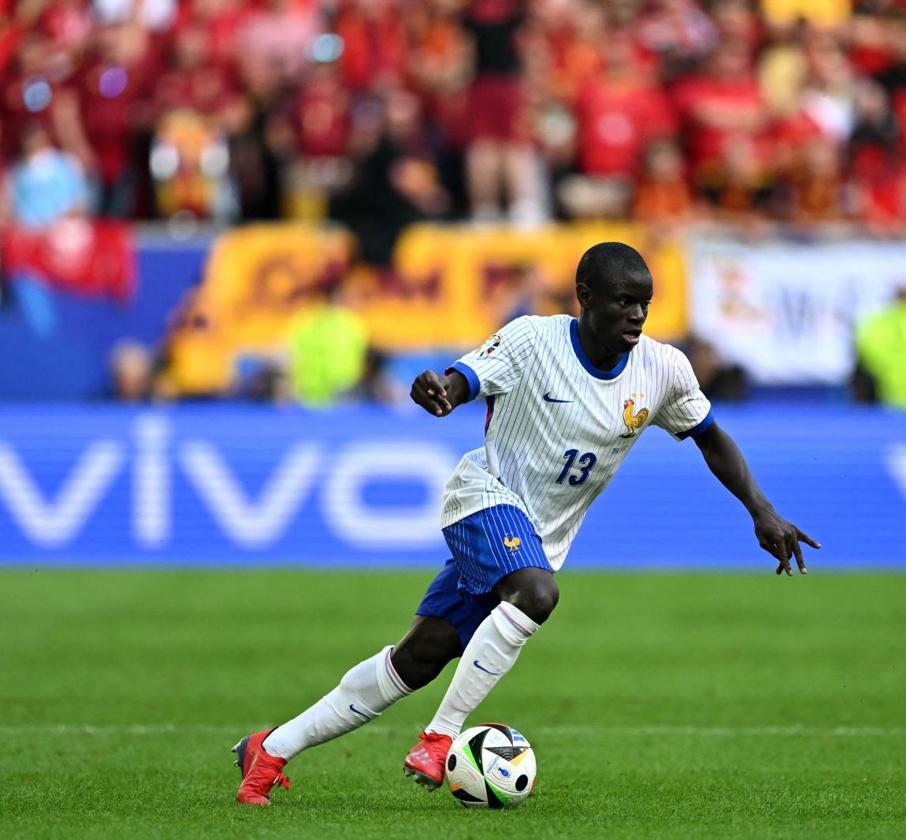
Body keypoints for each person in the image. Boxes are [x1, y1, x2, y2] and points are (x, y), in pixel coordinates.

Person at [231, 241, 820, 805]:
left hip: (536, 537)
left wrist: (761, 509)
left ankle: (270, 750)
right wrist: (442, 391)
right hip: (482, 499)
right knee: (537, 593)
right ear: (584, 297)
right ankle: (439, 739)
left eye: (645, 302)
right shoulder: (532, 339)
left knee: (418, 657)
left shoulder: (663, 370)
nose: (637, 314)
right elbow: (462, 381)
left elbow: (710, 438)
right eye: (623, 301)